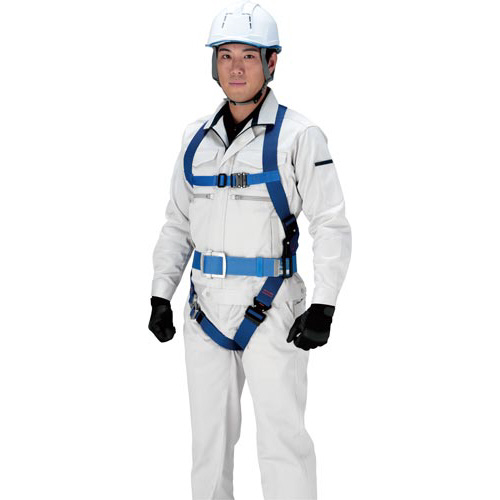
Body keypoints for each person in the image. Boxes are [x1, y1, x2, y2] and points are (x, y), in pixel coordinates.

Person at [148, 2, 352, 499]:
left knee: (282, 442)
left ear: (271, 62)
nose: (235, 68)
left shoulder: (299, 136)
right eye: (225, 56)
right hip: (204, 308)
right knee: (208, 446)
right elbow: (178, 223)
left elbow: (331, 223)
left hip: (272, 306)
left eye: (248, 56)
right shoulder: (195, 139)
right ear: (213, 63)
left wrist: (324, 305)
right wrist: (160, 292)